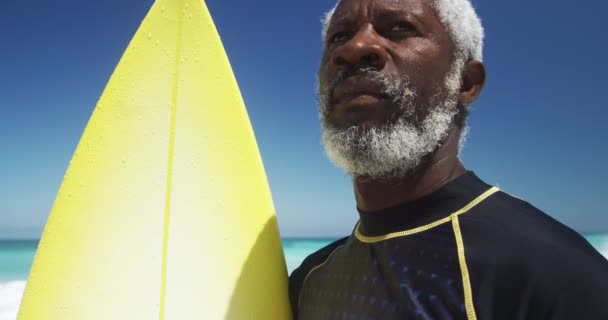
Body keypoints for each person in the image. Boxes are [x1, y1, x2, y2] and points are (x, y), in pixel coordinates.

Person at [288, 0, 608, 319]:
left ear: (465, 82)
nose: (355, 47)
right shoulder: (308, 280)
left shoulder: (553, 275)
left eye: (399, 28)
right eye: (339, 37)